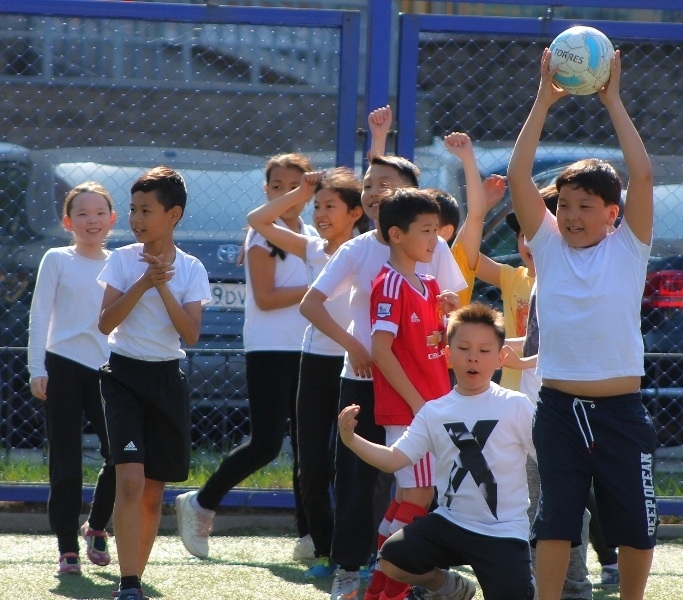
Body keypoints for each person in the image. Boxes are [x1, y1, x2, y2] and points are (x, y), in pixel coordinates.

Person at [507, 48, 657, 600]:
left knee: (636, 525)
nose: (570, 215)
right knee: (556, 522)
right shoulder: (547, 247)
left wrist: (612, 99)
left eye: (585, 206)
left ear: (613, 213)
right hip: (559, 409)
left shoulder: (629, 247)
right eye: (564, 204)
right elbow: (519, 175)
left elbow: (642, 174)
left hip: (621, 410)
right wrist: (543, 101)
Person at [300, 151, 466, 600]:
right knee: (359, 481)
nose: (374, 192)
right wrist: (355, 347)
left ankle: (401, 574)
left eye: (386, 184)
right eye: (369, 184)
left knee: (414, 490)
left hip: (420, 387)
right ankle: (352, 570)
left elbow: (446, 313)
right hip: (370, 382)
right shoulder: (361, 250)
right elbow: (312, 304)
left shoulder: (430, 245)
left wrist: (448, 314)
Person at [338, 302, 537, 600]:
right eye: (464, 348)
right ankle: (448, 587)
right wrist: (351, 439)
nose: (473, 357)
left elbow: (548, 458)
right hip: (450, 523)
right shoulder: (434, 411)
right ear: (447, 354)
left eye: (484, 350)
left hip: (504, 531)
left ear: (500, 359)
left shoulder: (516, 405)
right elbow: (394, 459)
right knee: (391, 559)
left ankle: (524, 581)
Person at [175, 153, 318, 562]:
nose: (286, 194)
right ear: (266, 191)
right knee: (267, 444)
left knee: (308, 449)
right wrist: (322, 286)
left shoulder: (310, 234)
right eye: (277, 187)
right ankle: (201, 502)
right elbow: (267, 298)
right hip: (270, 350)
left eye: (296, 187)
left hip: (309, 349)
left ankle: (309, 536)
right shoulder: (261, 236)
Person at [246, 167, 368, 579]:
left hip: (356, 365)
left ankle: (358, 554)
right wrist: (300, 191)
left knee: (350, 464)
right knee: (311, 466)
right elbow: (258, 220)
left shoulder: (368, 250)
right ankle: (324, 551)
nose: (320, 214)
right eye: (317, 207)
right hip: (314, 364)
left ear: (355, 213)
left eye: (330, 206)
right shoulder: (312, 248)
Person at [98, 166, 211, 600]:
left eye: (146, 210)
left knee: (151, 493)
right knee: (129, 479)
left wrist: (163, 286)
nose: (136, 219)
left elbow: (191, 334)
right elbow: (105, 321)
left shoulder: (192, 268)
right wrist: (145, 281)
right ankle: (128, 585)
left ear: (173, 215)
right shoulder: (122, 260)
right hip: (122, 376)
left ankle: (135, 579)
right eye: (133, 210)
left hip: (166, 381)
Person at [363, 188, 460, 600]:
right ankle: (392, 593)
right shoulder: (389, 284)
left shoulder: (430, 284)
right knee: (419, 498)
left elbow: (438, 352)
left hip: (429, 408)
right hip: (413, 412)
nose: (434, 239)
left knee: (407, 498)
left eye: (436, 230)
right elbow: (380, 351)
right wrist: (420, 406)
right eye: (426, 230)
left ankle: (377, 591)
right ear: (396, 234)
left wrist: (451, 318)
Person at [27, 182, 117, 576]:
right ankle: (67, 548)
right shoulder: (56, 259)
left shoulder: (121, 262)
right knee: (66, 462)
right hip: (61, 367)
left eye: (99, 213)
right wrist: (37, 368)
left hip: (108, 372)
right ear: (68, 221)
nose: (91, 220)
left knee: (120, 454)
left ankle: (96, 525)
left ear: (112, 219)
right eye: (82, 213)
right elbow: (39, 315)